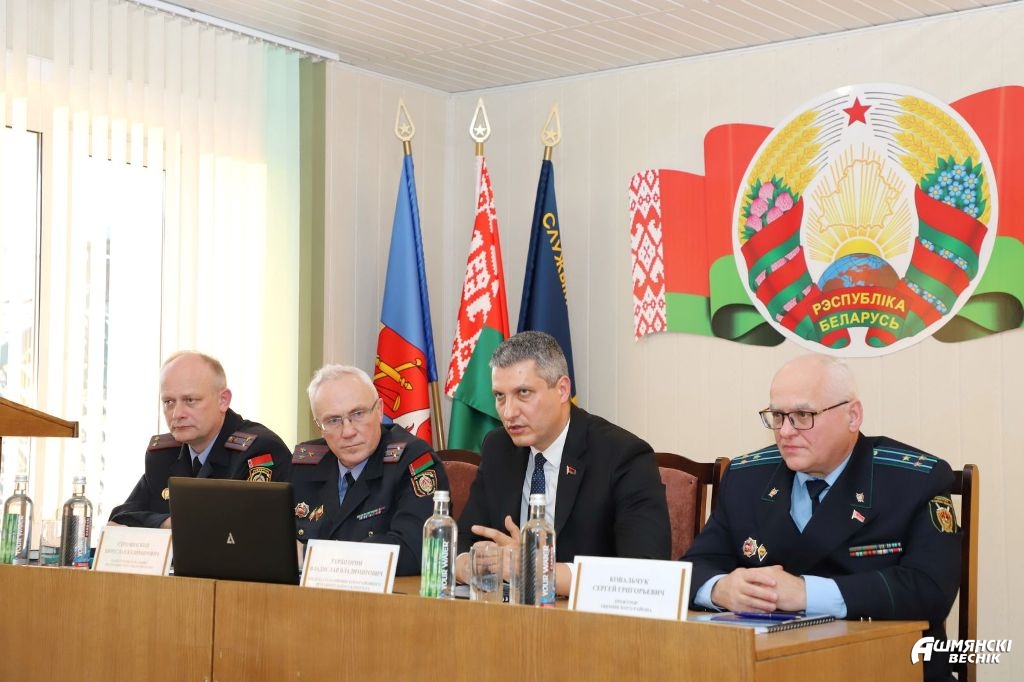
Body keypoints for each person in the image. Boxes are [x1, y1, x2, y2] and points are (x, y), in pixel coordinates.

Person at [683, 354, 960, 681]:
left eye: (803, 415)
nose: (785, 431)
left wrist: (805, 594)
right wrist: (720, 589)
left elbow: (929, 590)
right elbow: (693, 568)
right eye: (777, 416)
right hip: (772, 669)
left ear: (852, 416)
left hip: (886, 667)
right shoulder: (746, 477)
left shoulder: (914, 480)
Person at [454, 331, 670, 596]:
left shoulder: (622, 455)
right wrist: (472, 565)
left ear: (562, 390)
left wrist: (537, 571)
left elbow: (647, 572)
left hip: (586, 616)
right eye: (500, 396)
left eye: (523, 393)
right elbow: (464, 539)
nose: (509, 412)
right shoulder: (499, 447)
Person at [290, 364, 447, 576]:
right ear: (320, 426)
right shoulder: (306, 464)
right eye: (333, 421)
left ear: (379, 410)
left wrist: (312, 555)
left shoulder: (412, 460)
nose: (348, 431)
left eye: (357, 414)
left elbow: (416, 550)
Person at [109, 351, 292, 528]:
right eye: (168, 402)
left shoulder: (258, 450)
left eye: (190, 400)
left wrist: (169, 524)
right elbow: (120, 519)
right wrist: (168, 523)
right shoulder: (163, 454)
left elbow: (248, 528)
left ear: (223, 400)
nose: (177, 414)